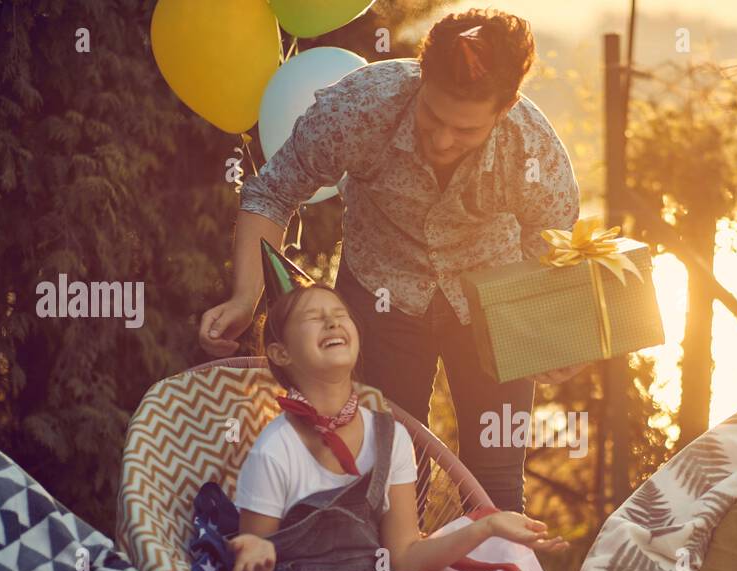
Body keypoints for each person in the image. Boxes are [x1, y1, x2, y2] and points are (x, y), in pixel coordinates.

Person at [200, 10, 582, 513]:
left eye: (465, 130)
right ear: (421, 79)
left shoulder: (534, 149)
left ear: (505, 108)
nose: (443, 140)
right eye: (433, 117)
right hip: (380, 296)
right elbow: (271, 194)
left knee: (496, 484)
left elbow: (553, 245)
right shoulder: (358, 107)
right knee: (390, 477)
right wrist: (246, 297)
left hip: (493, 307)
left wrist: (552, 338)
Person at [225, 238, 571, 571]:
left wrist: (488, 525)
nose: (332, 323)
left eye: (339, 314)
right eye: (313, 318)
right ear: (280, 352)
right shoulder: (275, 447)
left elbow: (406, 556)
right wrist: (252, 554)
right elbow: (250, 568)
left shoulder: (390, 436)